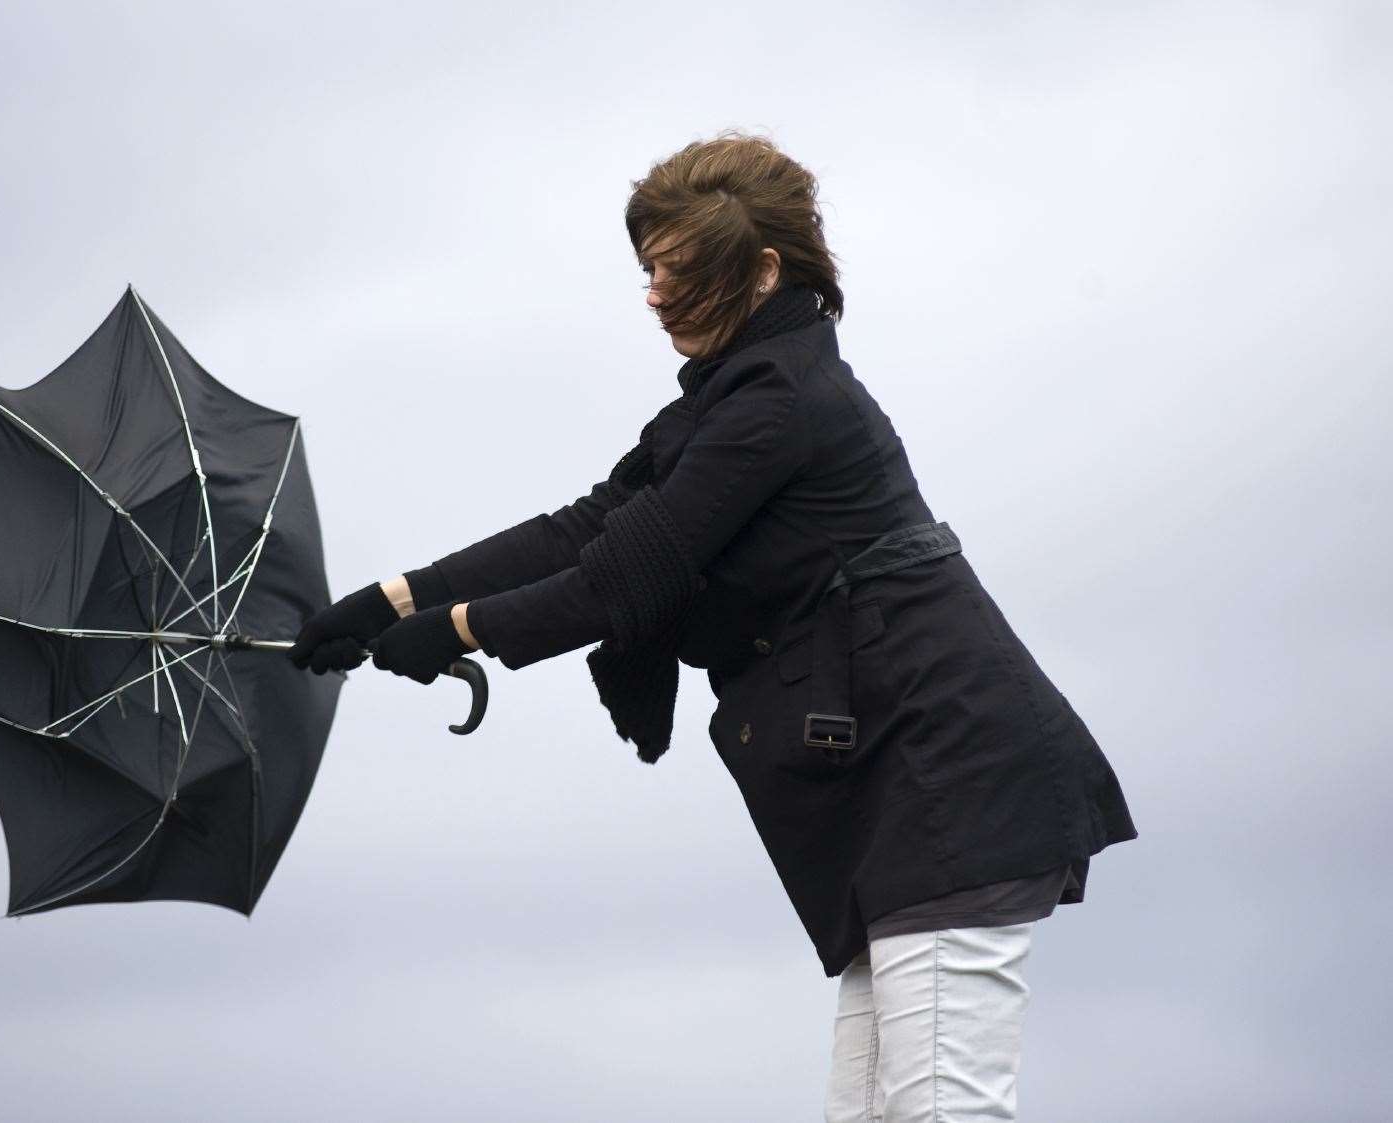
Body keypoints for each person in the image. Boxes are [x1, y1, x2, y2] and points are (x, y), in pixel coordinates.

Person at [288, 130, 1137, 1121]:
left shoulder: (781, 404)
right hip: (897, 798)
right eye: (646, 270)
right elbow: (595, 524)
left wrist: (457, 630)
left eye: (676, 270)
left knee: (941, 1109)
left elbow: (623, 575)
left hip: (948, 782)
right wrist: (395, 599)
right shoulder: (730, 402)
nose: (651, 294)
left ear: (763, 268)